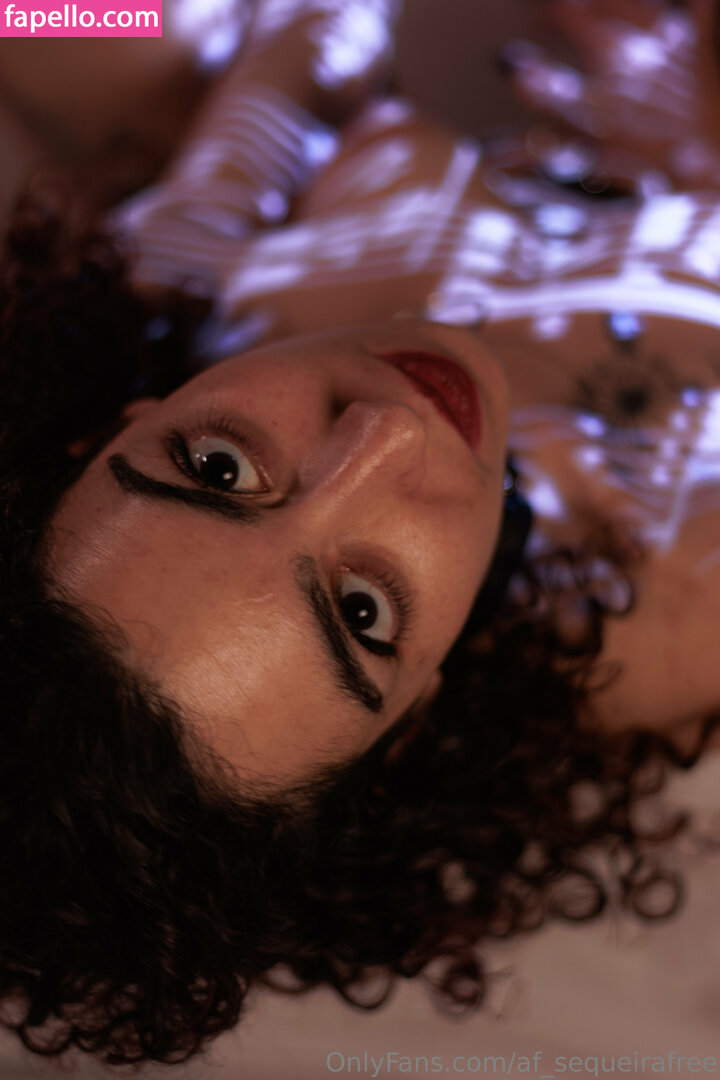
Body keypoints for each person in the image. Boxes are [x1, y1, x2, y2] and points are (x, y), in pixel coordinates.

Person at [1, 0, 719, 1067]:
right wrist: (695, 133)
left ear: (108, 434)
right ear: (415, 716)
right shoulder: (668, 592)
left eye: (220, 469)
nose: (385, 436)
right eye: (362, 610)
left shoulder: (172, 287)